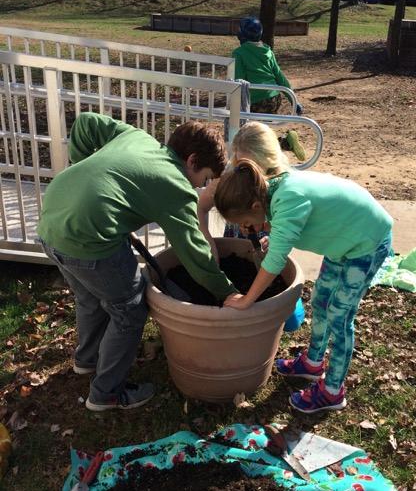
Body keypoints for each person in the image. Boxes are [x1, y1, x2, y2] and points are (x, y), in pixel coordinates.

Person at [38, 113, 237, 412]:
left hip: (52, 222)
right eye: (205, 178)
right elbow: (194, 253)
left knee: (90, 298)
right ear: (192, 161)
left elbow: (87, 123)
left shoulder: (137, 137)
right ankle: (105, 394)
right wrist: (227, 292)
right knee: (129, 309)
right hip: (89, 240)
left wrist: (82, 171)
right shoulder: (175, 183)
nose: (200, 186)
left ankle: (87, 360)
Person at [214, 159, 393, 413]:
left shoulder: (288, 198)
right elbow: (286, 221)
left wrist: (246, 300)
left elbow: (275, 262)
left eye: (245, 221)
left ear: (255, 205)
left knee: (339, 316)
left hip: (366, 241)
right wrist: (269, 229)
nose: (246, 229)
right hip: (342, 243)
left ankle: (332, 392)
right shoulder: (271, 190)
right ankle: (313, 363)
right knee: (320, 301)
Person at [197, 121, 289, 262]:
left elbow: (291, 228)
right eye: (242, 164)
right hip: (235, 245)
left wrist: (275, 239)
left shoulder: (284, 184)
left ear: (270, 159)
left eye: (254, 166)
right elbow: (201, 207)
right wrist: (209, 247)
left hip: (269, 245)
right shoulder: (231, 174)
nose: (246, 171)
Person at [233, 17, 306, 161]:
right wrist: (293, 100)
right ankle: (285, 143)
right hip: (274, 97)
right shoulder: (268, 51)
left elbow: (238, 80)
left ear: (242, 35)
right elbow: (279, 76)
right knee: (261, 131)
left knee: (253, 138)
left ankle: (285, 143)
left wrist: (234, 102)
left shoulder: (239, 53)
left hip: (255, 99)